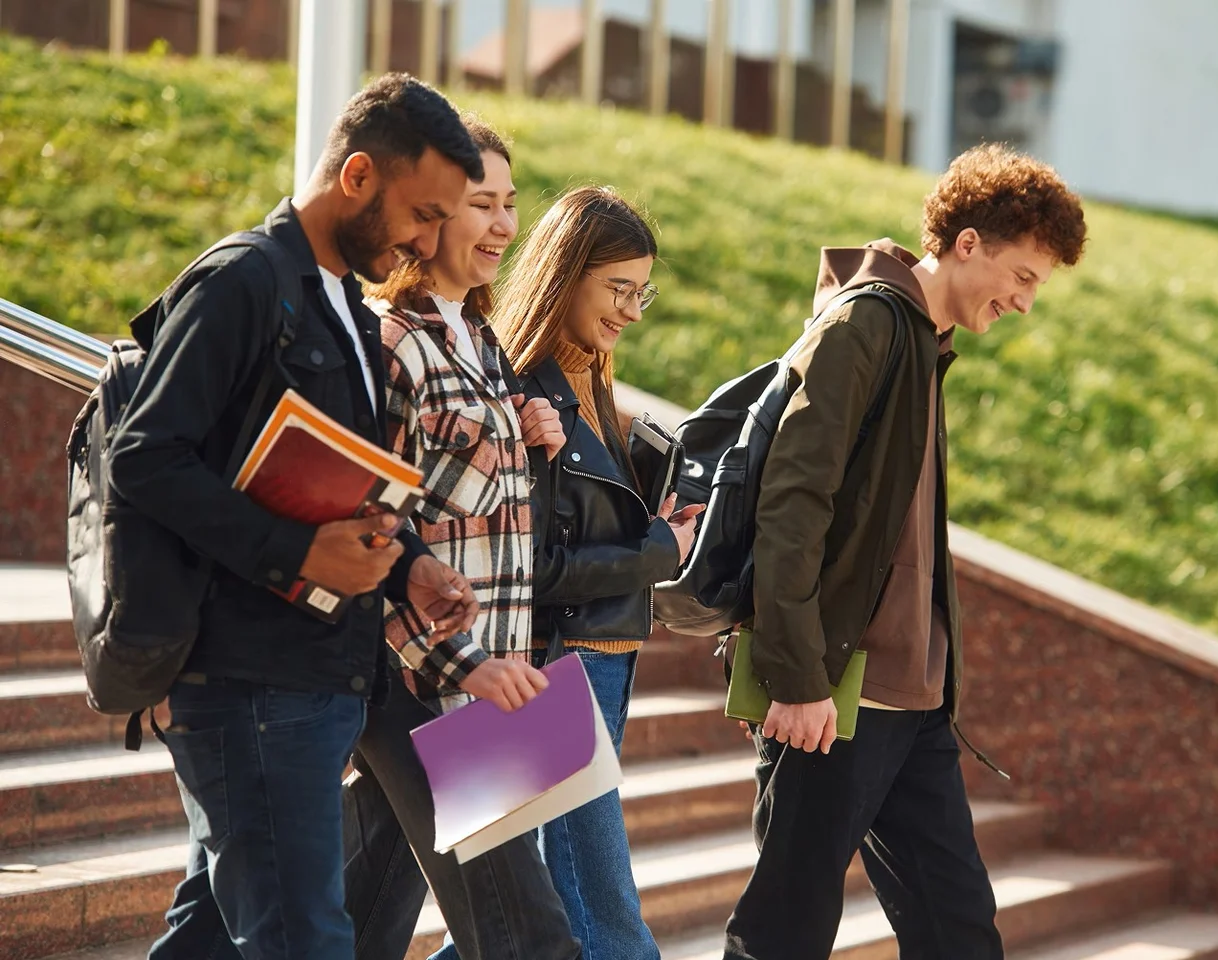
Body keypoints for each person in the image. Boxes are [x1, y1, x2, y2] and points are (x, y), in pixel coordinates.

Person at [107, 74, 485, 960]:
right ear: (358, 176)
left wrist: (410, 566)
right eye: (424, 214)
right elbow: (145, 456)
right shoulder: (243, 281)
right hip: (249, 685)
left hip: (312, 683)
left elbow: (334, 484)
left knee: (210, 940)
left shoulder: (346, 304)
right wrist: (297, 552)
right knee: (306, 940)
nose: (433, 242)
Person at [722, 143, 1087, 960]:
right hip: (836, 696)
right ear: (968, 245)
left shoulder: (926, 345)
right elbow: (792, 502)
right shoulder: (865, 325)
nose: (1026, 303)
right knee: (785, 930)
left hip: (914, 703)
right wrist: (796, 675)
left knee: (959, 930)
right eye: (1023, 277)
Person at [431, 186, 705, 960]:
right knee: (603, 926)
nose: (632, 311)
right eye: (618, 289)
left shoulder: (591, 384)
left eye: (640, 292)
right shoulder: (527, 392)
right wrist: (657, 553)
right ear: (566, 273)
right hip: (555, 671)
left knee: (515, 920)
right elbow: (533, 569)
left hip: (593, 666)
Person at [342, 115, 581, 960]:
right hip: (426, 680)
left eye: (511, 203)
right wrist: (462, 671)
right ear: (433, 212)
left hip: (492, 676)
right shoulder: (388, 343)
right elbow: (376, 524)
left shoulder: (482, 341)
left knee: (360, 916)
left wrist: (528, 428)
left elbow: (480, 509)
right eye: (485, 203)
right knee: (528, 937)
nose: (507, 225)